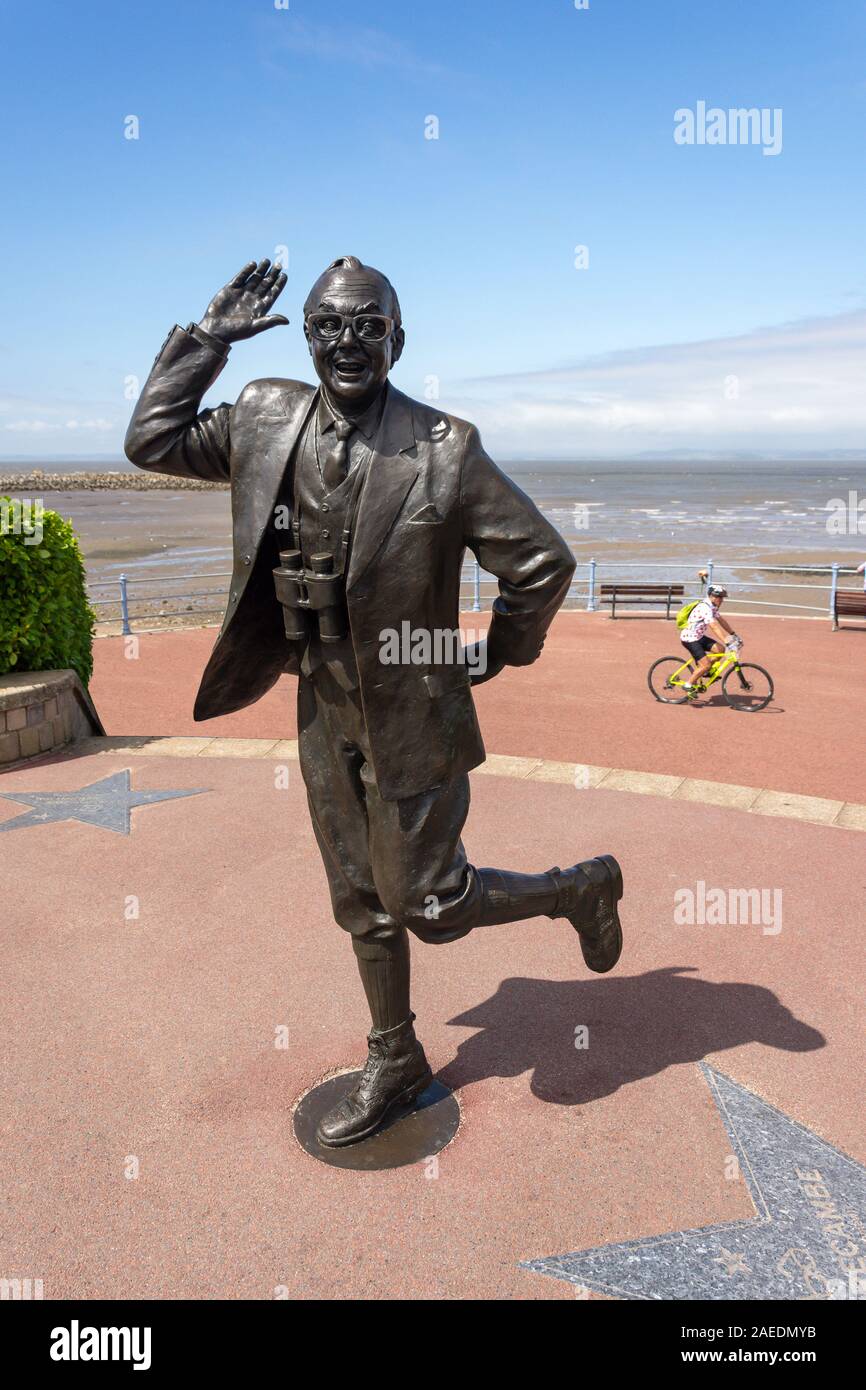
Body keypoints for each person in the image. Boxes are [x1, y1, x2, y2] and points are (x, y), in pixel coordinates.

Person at [124, 255, 625, 1148]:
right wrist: (207, 342)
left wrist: (499, 654)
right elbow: (151, 441)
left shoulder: (447, 448)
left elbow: (542, 563)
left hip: (413, 711)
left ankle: (575, 890)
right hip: (320, 702)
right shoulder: (264, 417)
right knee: (359, 897)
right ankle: (394, 1055)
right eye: (329, 325)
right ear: (308, 335)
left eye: (367, 326)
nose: (347, 342)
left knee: (430, 906)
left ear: (399, 339)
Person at [680, 583, 740, 692]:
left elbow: (721, 620)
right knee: (706, 664)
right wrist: (727, 641)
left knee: (720, 650)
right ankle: (688, 684)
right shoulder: (705, 608)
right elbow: (714, 626)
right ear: (712, 596)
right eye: (720, 597)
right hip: (690, 639)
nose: (722, 600)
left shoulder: (712, 607)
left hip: (699, 637)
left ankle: (705, 671)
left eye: (722, 597)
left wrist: (733, 634)